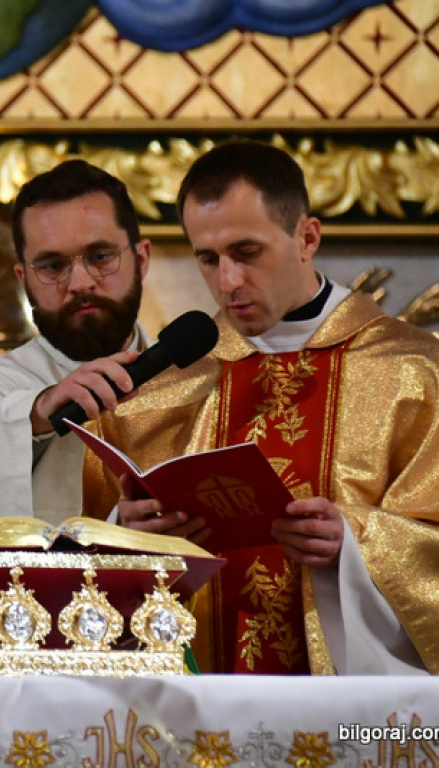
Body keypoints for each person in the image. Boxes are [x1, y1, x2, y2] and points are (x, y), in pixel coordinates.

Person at [81, 140, 439, 674]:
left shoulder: (417, 374)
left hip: (358, 720)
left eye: (247, 253)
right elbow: (88, 575)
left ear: (306, 238)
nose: (227, 282)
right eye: (208, 259)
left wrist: (354, 543)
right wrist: (126, 535)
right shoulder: (155, 394)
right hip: (201, 721)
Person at [0, 159, 151, 523]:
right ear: (23, 279)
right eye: (52, 266)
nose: (80, 282)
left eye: (100, 257)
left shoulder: (200, 380)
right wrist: (36, 413)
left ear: (141, 260)